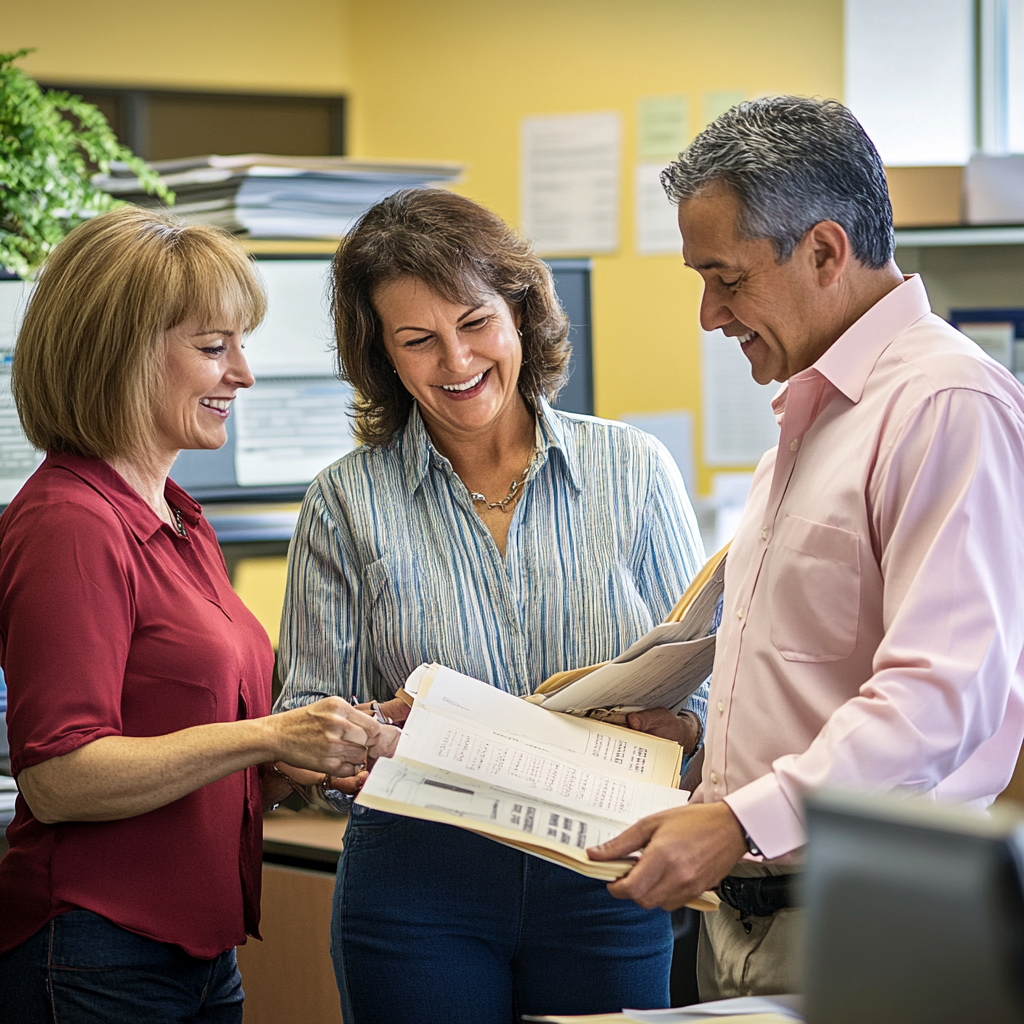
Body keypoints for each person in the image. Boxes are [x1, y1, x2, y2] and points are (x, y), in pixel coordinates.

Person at [589, 95, 1024, 998]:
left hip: (872, 920)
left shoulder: (947, 405)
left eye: (728, 278)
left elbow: (939, 696)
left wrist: (744, 818)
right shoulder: (808, 415)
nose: (709, 315)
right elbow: (807, 683)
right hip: (745, 914)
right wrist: (702, 753)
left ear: (825, 250)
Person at [275, 187, 709, 1024]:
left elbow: (706, 678)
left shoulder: (635, 469)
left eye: (475, 323)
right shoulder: (342, 502)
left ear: (519, 313)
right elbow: (302, 719)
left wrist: (684, 728)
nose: (456, 360)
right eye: (418, 341)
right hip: (417, 889)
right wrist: (358, 741)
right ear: (385, 358)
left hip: (606, 873)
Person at [0, 206, 389, 1024]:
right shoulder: (69, 522)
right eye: (214, 348)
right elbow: (60, 776)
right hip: (95, 950)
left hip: (196, 954)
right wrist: (269, 736)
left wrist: (301, 760)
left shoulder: (176, 518)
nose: (243, 375)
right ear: (122, 356)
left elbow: (190, 748)